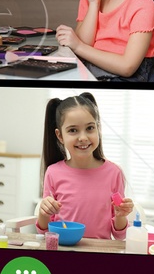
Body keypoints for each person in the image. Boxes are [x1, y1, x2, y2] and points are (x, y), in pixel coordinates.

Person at [34, 92, 134, 241]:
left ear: (98, 129)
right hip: (63, 249)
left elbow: (120, 235)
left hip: (100, 252)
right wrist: (44, 213)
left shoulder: (114, 173)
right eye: (73, 130)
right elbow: (44, 232)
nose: (83, 137)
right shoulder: (53, 172)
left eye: (90, 128)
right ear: (60, 136)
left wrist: (121, 216)